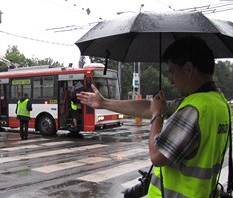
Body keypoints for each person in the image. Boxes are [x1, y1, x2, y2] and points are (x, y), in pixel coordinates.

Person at [76, 36, 230, 197]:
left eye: (172, 72)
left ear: (189, 69)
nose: (171, 81)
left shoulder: (193, 110)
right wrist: (104, 103)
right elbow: (148, 107)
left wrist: (157, 114)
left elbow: (157, 156)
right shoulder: (219, 103)